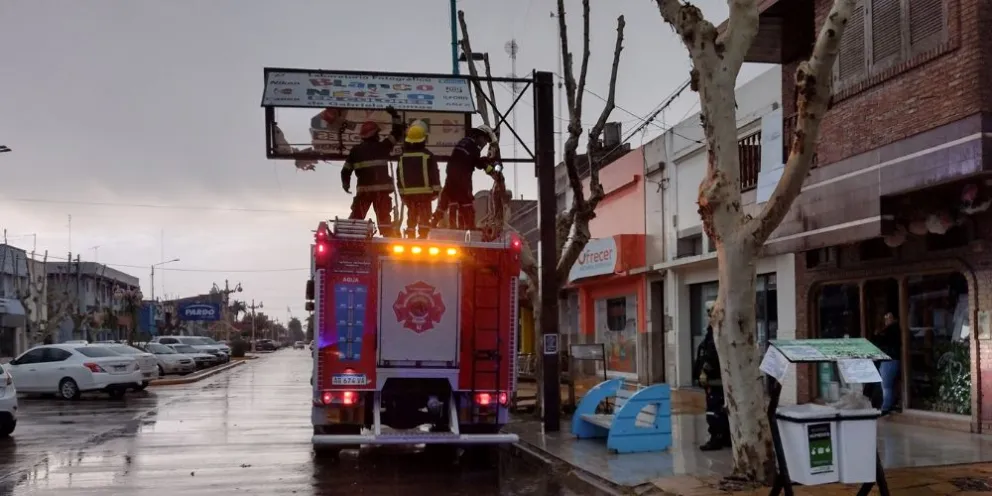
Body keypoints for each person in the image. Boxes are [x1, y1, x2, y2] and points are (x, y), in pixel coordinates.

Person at [340, 106, 404, 237]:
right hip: (381, 192)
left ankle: (349, 237)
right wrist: (394, 115)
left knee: (356, 219)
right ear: (375, 134)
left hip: (364, 192)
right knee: (384, 220)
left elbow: (345, 171)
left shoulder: (355, 151)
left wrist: (346, 184)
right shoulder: (383, 147)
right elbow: (397, 132)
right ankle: (388, 242)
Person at [431, 125, 499, 230]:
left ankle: (432, 223)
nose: (485, 143)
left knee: (443, 204)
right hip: (461, 178)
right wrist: (490, 169)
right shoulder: (473, 146)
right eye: (485, 140)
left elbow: (469, 159)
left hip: (451, 177)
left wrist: (483, 161)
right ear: (479, 136)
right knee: (467, 205)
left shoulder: (464, 142)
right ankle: (470, 228)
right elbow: (477, 163)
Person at [695, 302, 730, 451]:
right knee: (721, 409)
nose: (708, 315)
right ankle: (726, 437)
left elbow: (713, 354)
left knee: (714, 410)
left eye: (710, 312)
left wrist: (705, 372)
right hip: (719, 379)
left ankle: (716, 438)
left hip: (716, 380)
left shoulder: (716, 330)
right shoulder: (716, 329)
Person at [396, 123, 441, 239]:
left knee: (411, 214)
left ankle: (410, 233)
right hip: (425, 193)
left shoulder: (402, 157)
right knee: (425, 215)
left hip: (408, 194)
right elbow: (434, 174)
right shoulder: (428, 155)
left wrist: (402, 193)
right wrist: (436, 191)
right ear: (423, 139)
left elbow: (399, 176)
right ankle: (423, 236)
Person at [870, 312, 902, 414]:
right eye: (885, 318)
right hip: (892, 359)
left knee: (886, 386)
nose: (886, 320)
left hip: (889, 359)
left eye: (888, 318)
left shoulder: (891, 330)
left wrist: (877, 335)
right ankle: (889, 405)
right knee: (889, 385)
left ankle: (885, 408)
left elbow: (881, 341)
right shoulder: (895, 329)